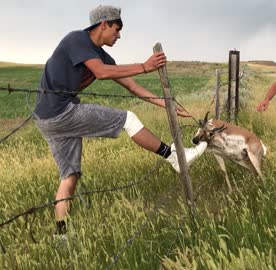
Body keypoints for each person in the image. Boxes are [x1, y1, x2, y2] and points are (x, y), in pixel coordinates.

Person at [33, 5, 207, 239]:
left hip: (47, 118)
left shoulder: (101, 55)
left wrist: (166, 103)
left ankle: (61, 236)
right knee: (129, 119)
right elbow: (102, 72)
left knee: (70, 176)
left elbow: (132, 86)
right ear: (103, 24)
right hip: (61, 111)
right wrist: (145, 67)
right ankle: (175, 156)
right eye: (117, 29)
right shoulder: (77, 39)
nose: (119, 35)